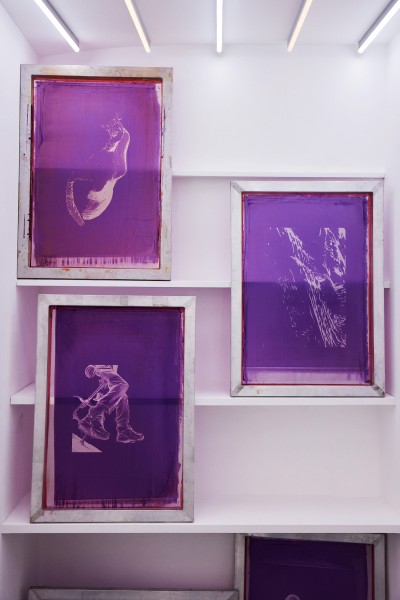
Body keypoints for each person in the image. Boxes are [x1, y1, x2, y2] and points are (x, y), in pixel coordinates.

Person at [77, 364, 144, 444]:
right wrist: (92, 366)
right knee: (122, 384)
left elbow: (114, 367)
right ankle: (90, 419)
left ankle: (123, 431)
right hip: (102, 367)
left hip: (109, 370)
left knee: (123, 396)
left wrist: (106, 378)